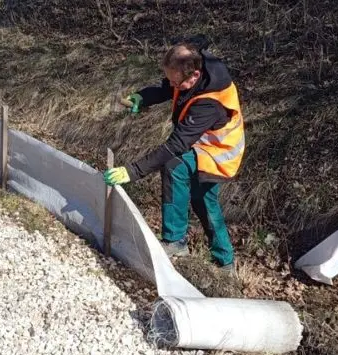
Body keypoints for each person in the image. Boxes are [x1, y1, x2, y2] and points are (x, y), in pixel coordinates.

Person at [103, 39, 244, 271]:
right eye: (169, 78)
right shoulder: (191, 73)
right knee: (203, 200)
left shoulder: (209, 103)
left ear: (194, 76)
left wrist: (132, 171)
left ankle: (181, 243)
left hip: (219, 153)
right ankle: (222, 260)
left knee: (178, 170)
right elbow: (167, 89)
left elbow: (176, 145)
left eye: (174, 80)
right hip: (201, 143)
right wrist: (142, 97)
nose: (171, 84)